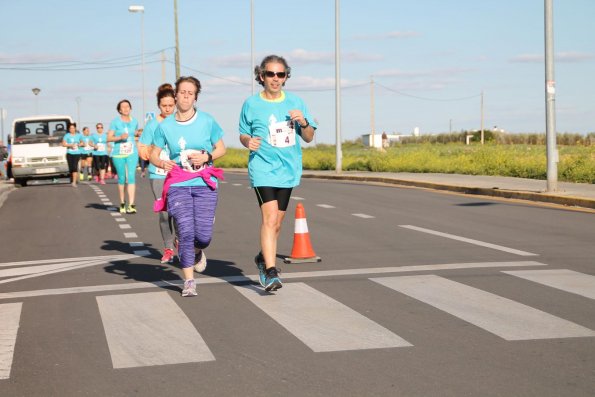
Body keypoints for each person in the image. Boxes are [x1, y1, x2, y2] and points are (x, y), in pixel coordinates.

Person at [239, 54, 316, 292]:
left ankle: (264, 257)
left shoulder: (295, 102)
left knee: (278, 223)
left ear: (286, 77)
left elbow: (310, 137)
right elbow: (242, 133)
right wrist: (247, 141)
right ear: (261, 76)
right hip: (262, 168)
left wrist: (303, 122)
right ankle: (271, 272)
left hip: (288, 169)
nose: (275, 78)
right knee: (270, 219)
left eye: (280, 74)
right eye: (270, 74)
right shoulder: (251, 104)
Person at [150, 76, 226, 297]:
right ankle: (189, 281)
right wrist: (160, 162)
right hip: (178, 184)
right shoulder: (165, 126)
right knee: (185, 230)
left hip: (204, 183)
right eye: (182, 92)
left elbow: (221, 148)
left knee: (203, 236)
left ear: (195, 97)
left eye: (190, 93)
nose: (185, 96)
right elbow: (153, 153)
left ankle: (197, 251)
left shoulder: (207, 121)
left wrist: (207, 156)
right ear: (175, 95)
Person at [138, 83, 177, 264]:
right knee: (164, 212)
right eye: (164, 106)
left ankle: (181, 242)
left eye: (170, 105)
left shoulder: (180, 122)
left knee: (179, 210)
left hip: (179, 173)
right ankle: (168, 247)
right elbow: (143, 147)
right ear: (159, 106)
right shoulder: (153, 125)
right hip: (158, 173)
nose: (168, 109)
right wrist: (150, 153)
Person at [107, 99, 140, 214]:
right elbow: (109, 138)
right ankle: (122, 202)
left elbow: (135, 134)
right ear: (119, 110)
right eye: (123, 107)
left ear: (130, 108)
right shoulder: (115, 122)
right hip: (118, 153)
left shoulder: (135, 121)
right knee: (122, 178)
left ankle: (131, 204)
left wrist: (137, 134)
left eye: (127, 106)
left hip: (132, 152)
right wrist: (120, 137)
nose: (126, 108)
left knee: (131, 177)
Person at [62, 122, 83, 187]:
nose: (72, 129)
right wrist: (70, 145)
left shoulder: (79, 135)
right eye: (70, 128)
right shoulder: (67, 135)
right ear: (69, 129)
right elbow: (63, 144)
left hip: (77, 153)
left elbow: (83, 143)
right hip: (69, 153)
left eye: (73, 128)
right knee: (71, 168)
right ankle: (72, 179)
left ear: (75, 128)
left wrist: (80, 144)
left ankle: (74, 182)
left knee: (74, 167)